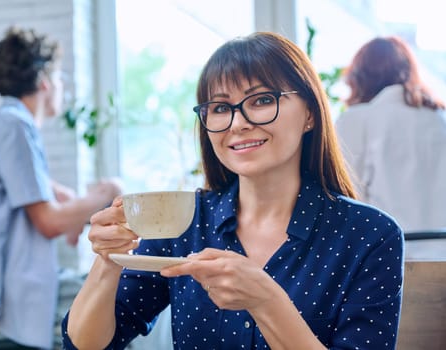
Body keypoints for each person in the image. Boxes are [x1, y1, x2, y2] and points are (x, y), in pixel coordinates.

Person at [62, 32, 404, 349]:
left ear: (310, 114)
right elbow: (88, 343)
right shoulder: (183, 219)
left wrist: (265, 301)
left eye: (261, 100)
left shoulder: (370, 235)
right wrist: (108, 260)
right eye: (221, 108)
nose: (238, 123)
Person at [0, 27, 121, 349]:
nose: (61, 87)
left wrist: (70, 201)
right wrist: (107, 193)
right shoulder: (15, 126)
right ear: (43, 82)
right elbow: (49, 222)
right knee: (116, 301)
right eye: (59, 78)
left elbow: (41, 192)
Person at [335, 37, 446, 257]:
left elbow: (346, 200)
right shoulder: (440, 119)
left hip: (388, 259)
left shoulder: (357, 120)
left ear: (359, 77)